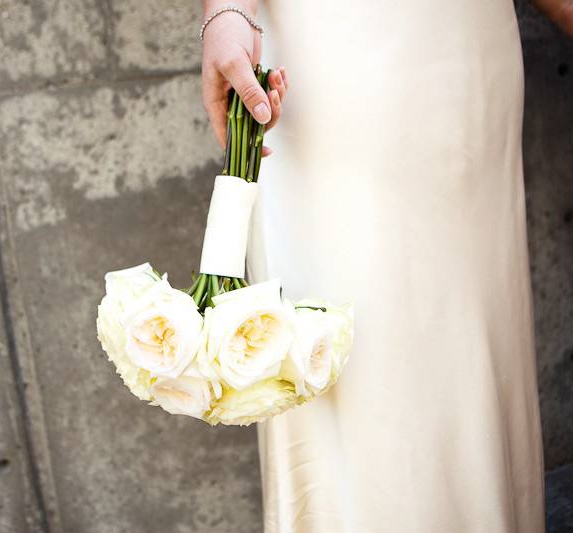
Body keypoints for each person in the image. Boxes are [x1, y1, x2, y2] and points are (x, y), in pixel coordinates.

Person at [200, 1, 571, 531]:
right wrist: (226, 10)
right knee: (352, 351)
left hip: (463, 52)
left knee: (469, 342)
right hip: (327, 55)